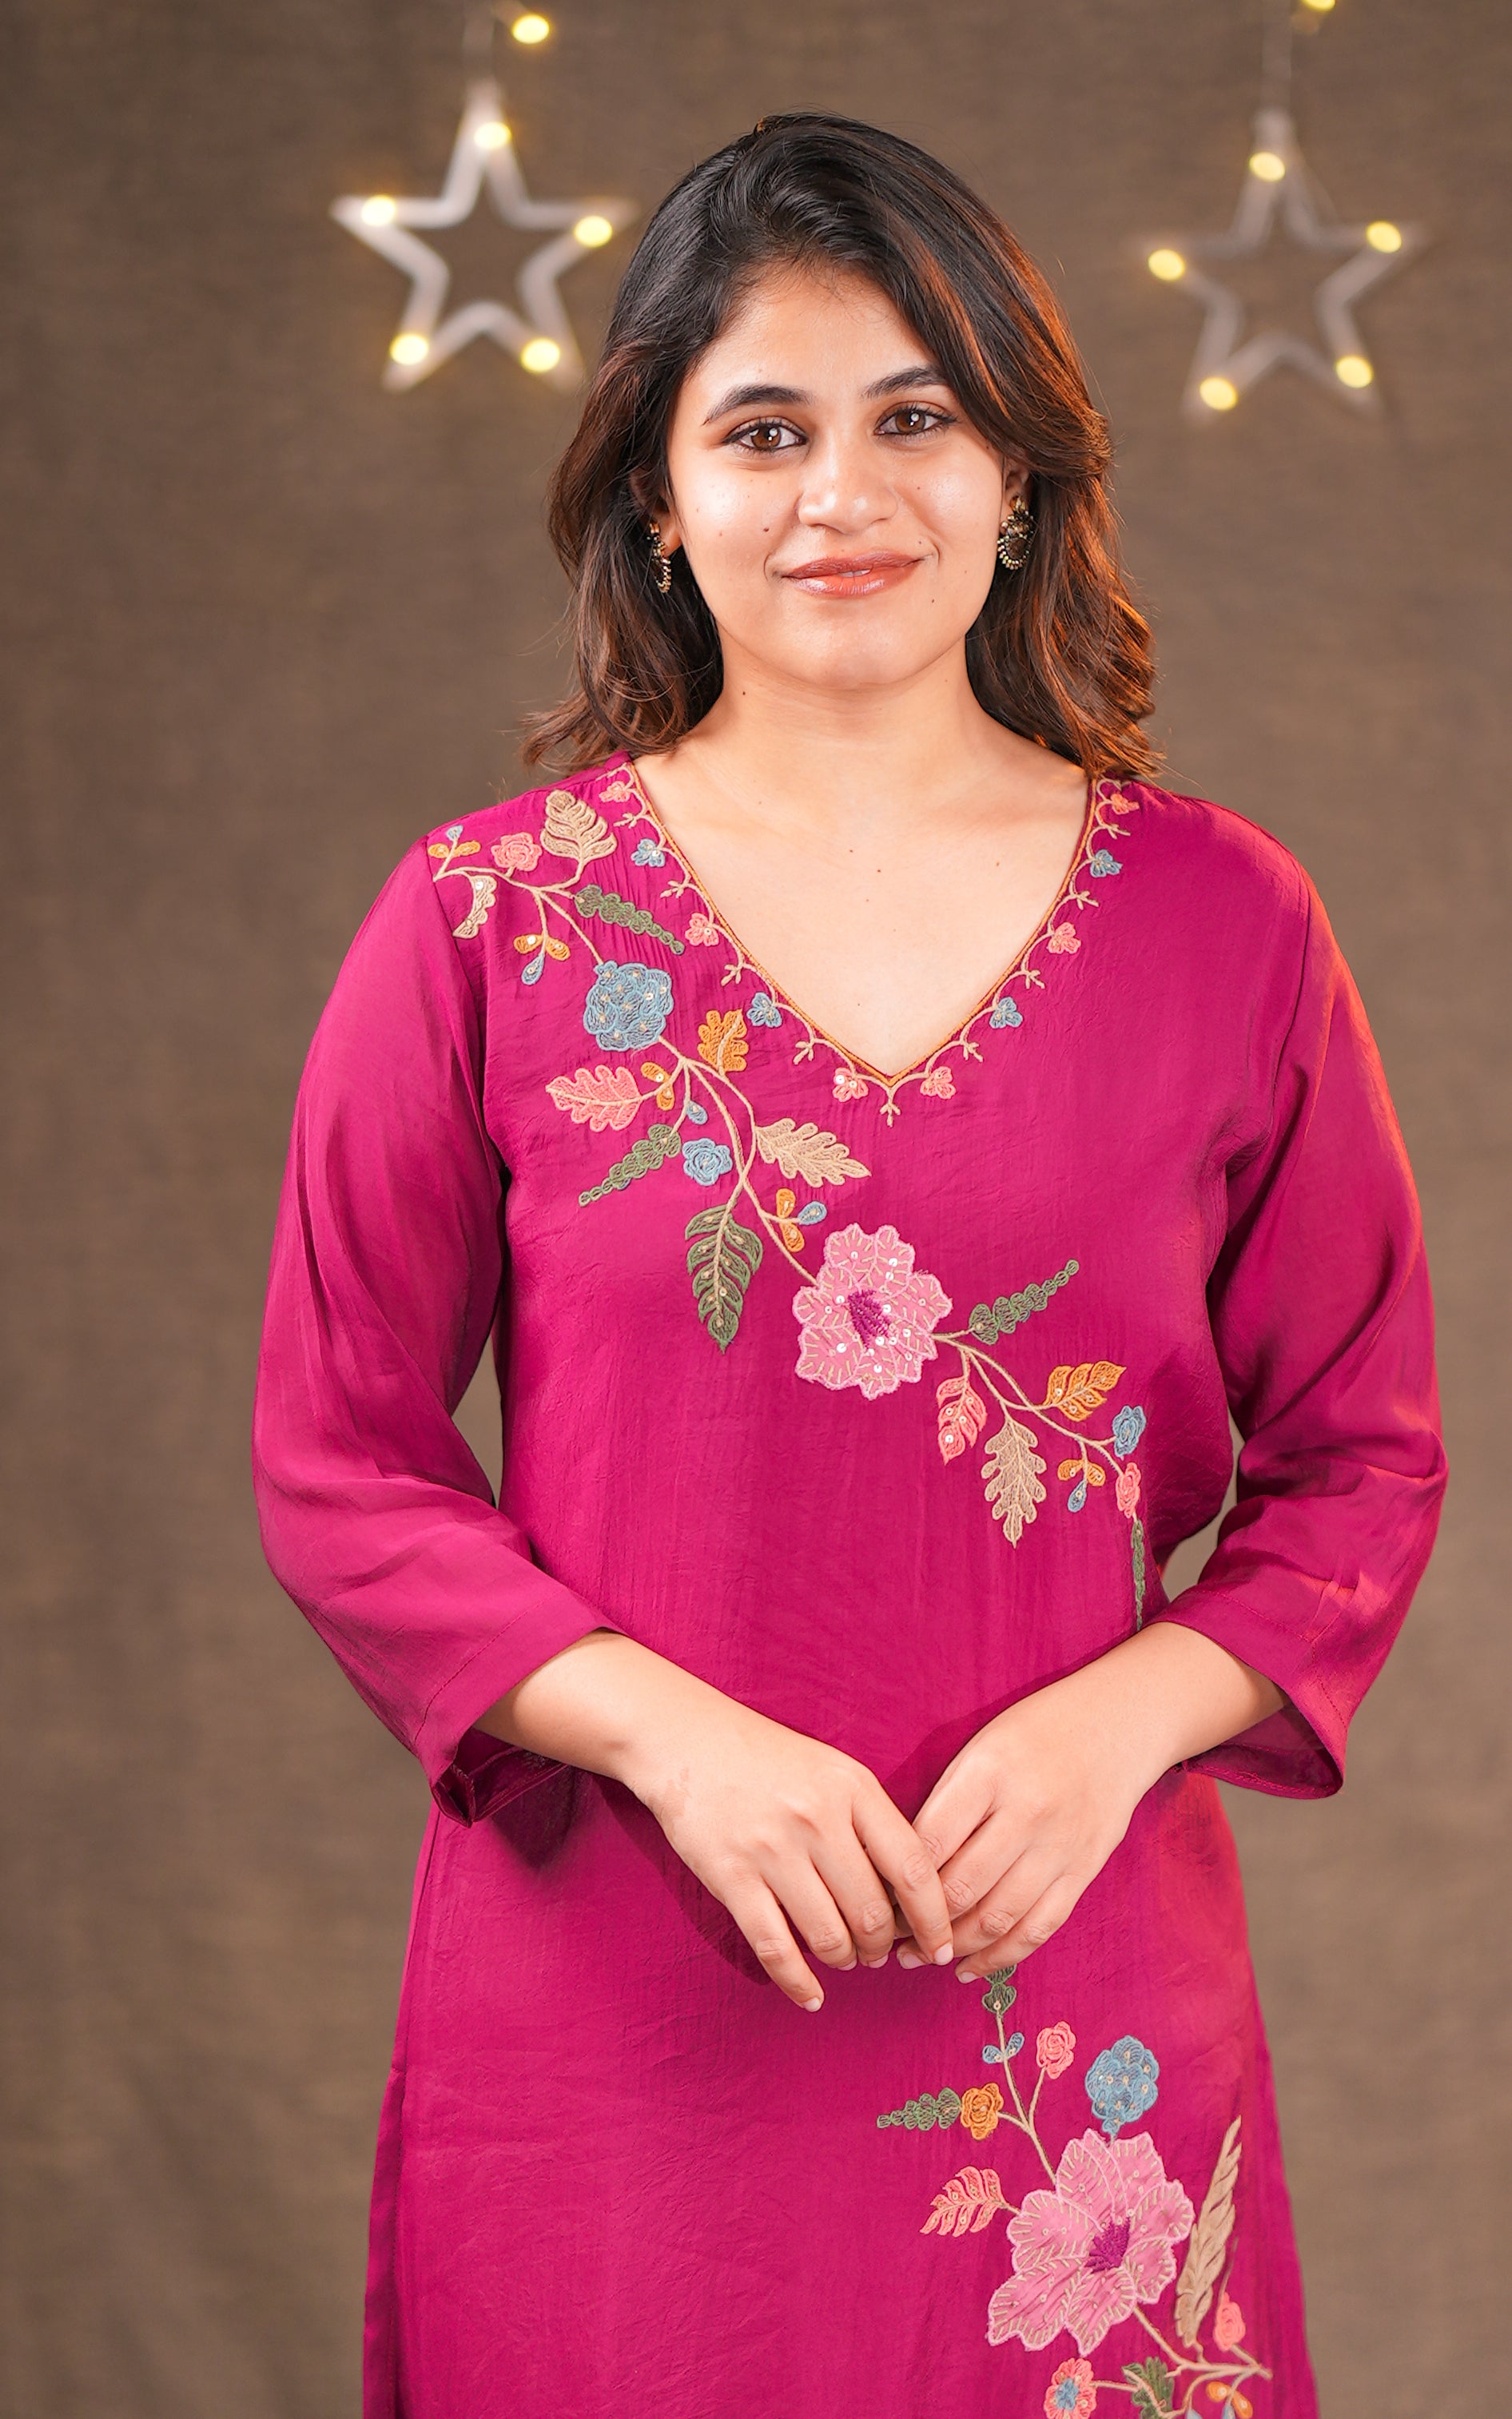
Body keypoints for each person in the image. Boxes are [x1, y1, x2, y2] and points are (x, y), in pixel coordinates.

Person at [253, 112, 1446, 2419]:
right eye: (763, 429)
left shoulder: (1229, 925)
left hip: (1071, 2038)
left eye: (916, 417)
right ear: (657, 503)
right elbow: (339, 1458)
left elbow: (1358, 1459)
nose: (843, 495)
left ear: (1018, 474)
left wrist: (1125, 1718)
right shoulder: (488, 924)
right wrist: (671, 1740)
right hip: (615, 2027)